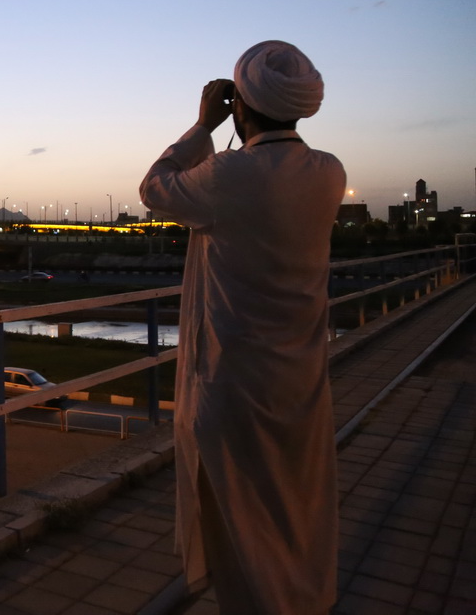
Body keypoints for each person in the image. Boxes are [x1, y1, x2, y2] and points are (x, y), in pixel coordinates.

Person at [139, 40, 346, 613]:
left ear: (243, 106)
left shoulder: (229, 174)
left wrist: (203, 124)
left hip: (233, 382)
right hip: (301, 379)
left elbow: (154, 187)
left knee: (240, 531)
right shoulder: (330, 172)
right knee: (295, 509)